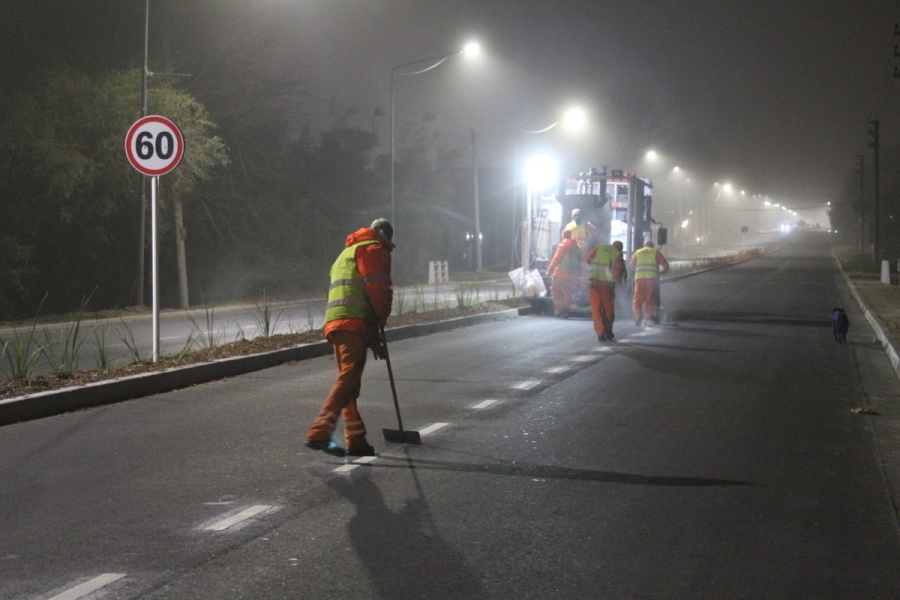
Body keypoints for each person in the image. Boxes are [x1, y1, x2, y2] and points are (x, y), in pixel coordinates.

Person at [305, 218, 394, 457]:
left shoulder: (347, 252)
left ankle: (356, 439)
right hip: (353, 322)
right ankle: (320, 429)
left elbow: (355, 291)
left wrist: (374, 341)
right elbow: (377, 290)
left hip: (336, 322)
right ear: (384, 235)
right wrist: (382, 317)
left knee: (349, 383)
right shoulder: (373, 249)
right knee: (348, 379)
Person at [586, 239, 626, 341]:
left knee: (596, 307)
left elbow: (588, 259)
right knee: (608, 308)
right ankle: (608, 331)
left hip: (594, 281)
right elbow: (617, 270)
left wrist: (595, 268)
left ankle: (600, 332)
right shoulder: (617, 253)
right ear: (620, 248)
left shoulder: (599, 247)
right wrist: (619, 283)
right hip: (607, 283)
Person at [629, 239, 669, 326]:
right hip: (651, 279)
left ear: (644, 245)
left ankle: (638, 317)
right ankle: (647, 318)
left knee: (637, 298)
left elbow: (631, 265)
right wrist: (664, 271)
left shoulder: (638, 252)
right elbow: (665, 264)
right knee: (649, 298)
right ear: (652, 246)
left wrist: (636, 271)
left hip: (639, 278)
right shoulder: (655, 252)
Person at [546, 229, 580, 318]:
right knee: (568, 293)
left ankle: (560, 309)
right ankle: (566, 312)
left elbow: (557, 258)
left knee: (555, 290)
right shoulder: (576, 247)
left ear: (563, 235)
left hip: (560, 274)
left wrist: (550, 270)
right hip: (572, 276)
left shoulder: (563, 245)